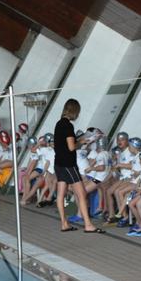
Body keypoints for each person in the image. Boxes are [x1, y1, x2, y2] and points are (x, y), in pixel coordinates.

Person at [53, 99, 103, 233]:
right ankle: (88, 225)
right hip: (68, 164)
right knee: (81, 194)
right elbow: (71, 147)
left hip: (58, 163)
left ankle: (64, 224)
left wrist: (78, 140)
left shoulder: (58, 124)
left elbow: (62, 144)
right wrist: (81, 142)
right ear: (75, 111)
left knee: (60, 194)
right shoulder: (68, 126)